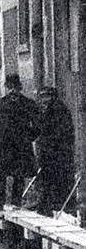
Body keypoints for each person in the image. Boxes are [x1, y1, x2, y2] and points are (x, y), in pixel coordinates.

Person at [0, 73, 39, 212]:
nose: (13, 90)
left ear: (19, 88)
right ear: (7, 88)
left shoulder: (29, 104)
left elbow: (38, 124)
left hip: (20, 146)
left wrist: (30, 137)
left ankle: (16, 203)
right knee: (0, 175)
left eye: (15, 87)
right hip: (2, 145)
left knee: (19, 175)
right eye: (10, 87)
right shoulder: (0, 103)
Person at [35, 85, 75, 217]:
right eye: (42, 97)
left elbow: (62, 133)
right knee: (48, 179)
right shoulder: (45, 111)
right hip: (48, 153)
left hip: (57, 153)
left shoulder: (59, 111)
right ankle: (48, 207)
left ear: (53, 97)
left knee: (56, 179)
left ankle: (55, 207)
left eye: (47, 96)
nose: (44, 100)